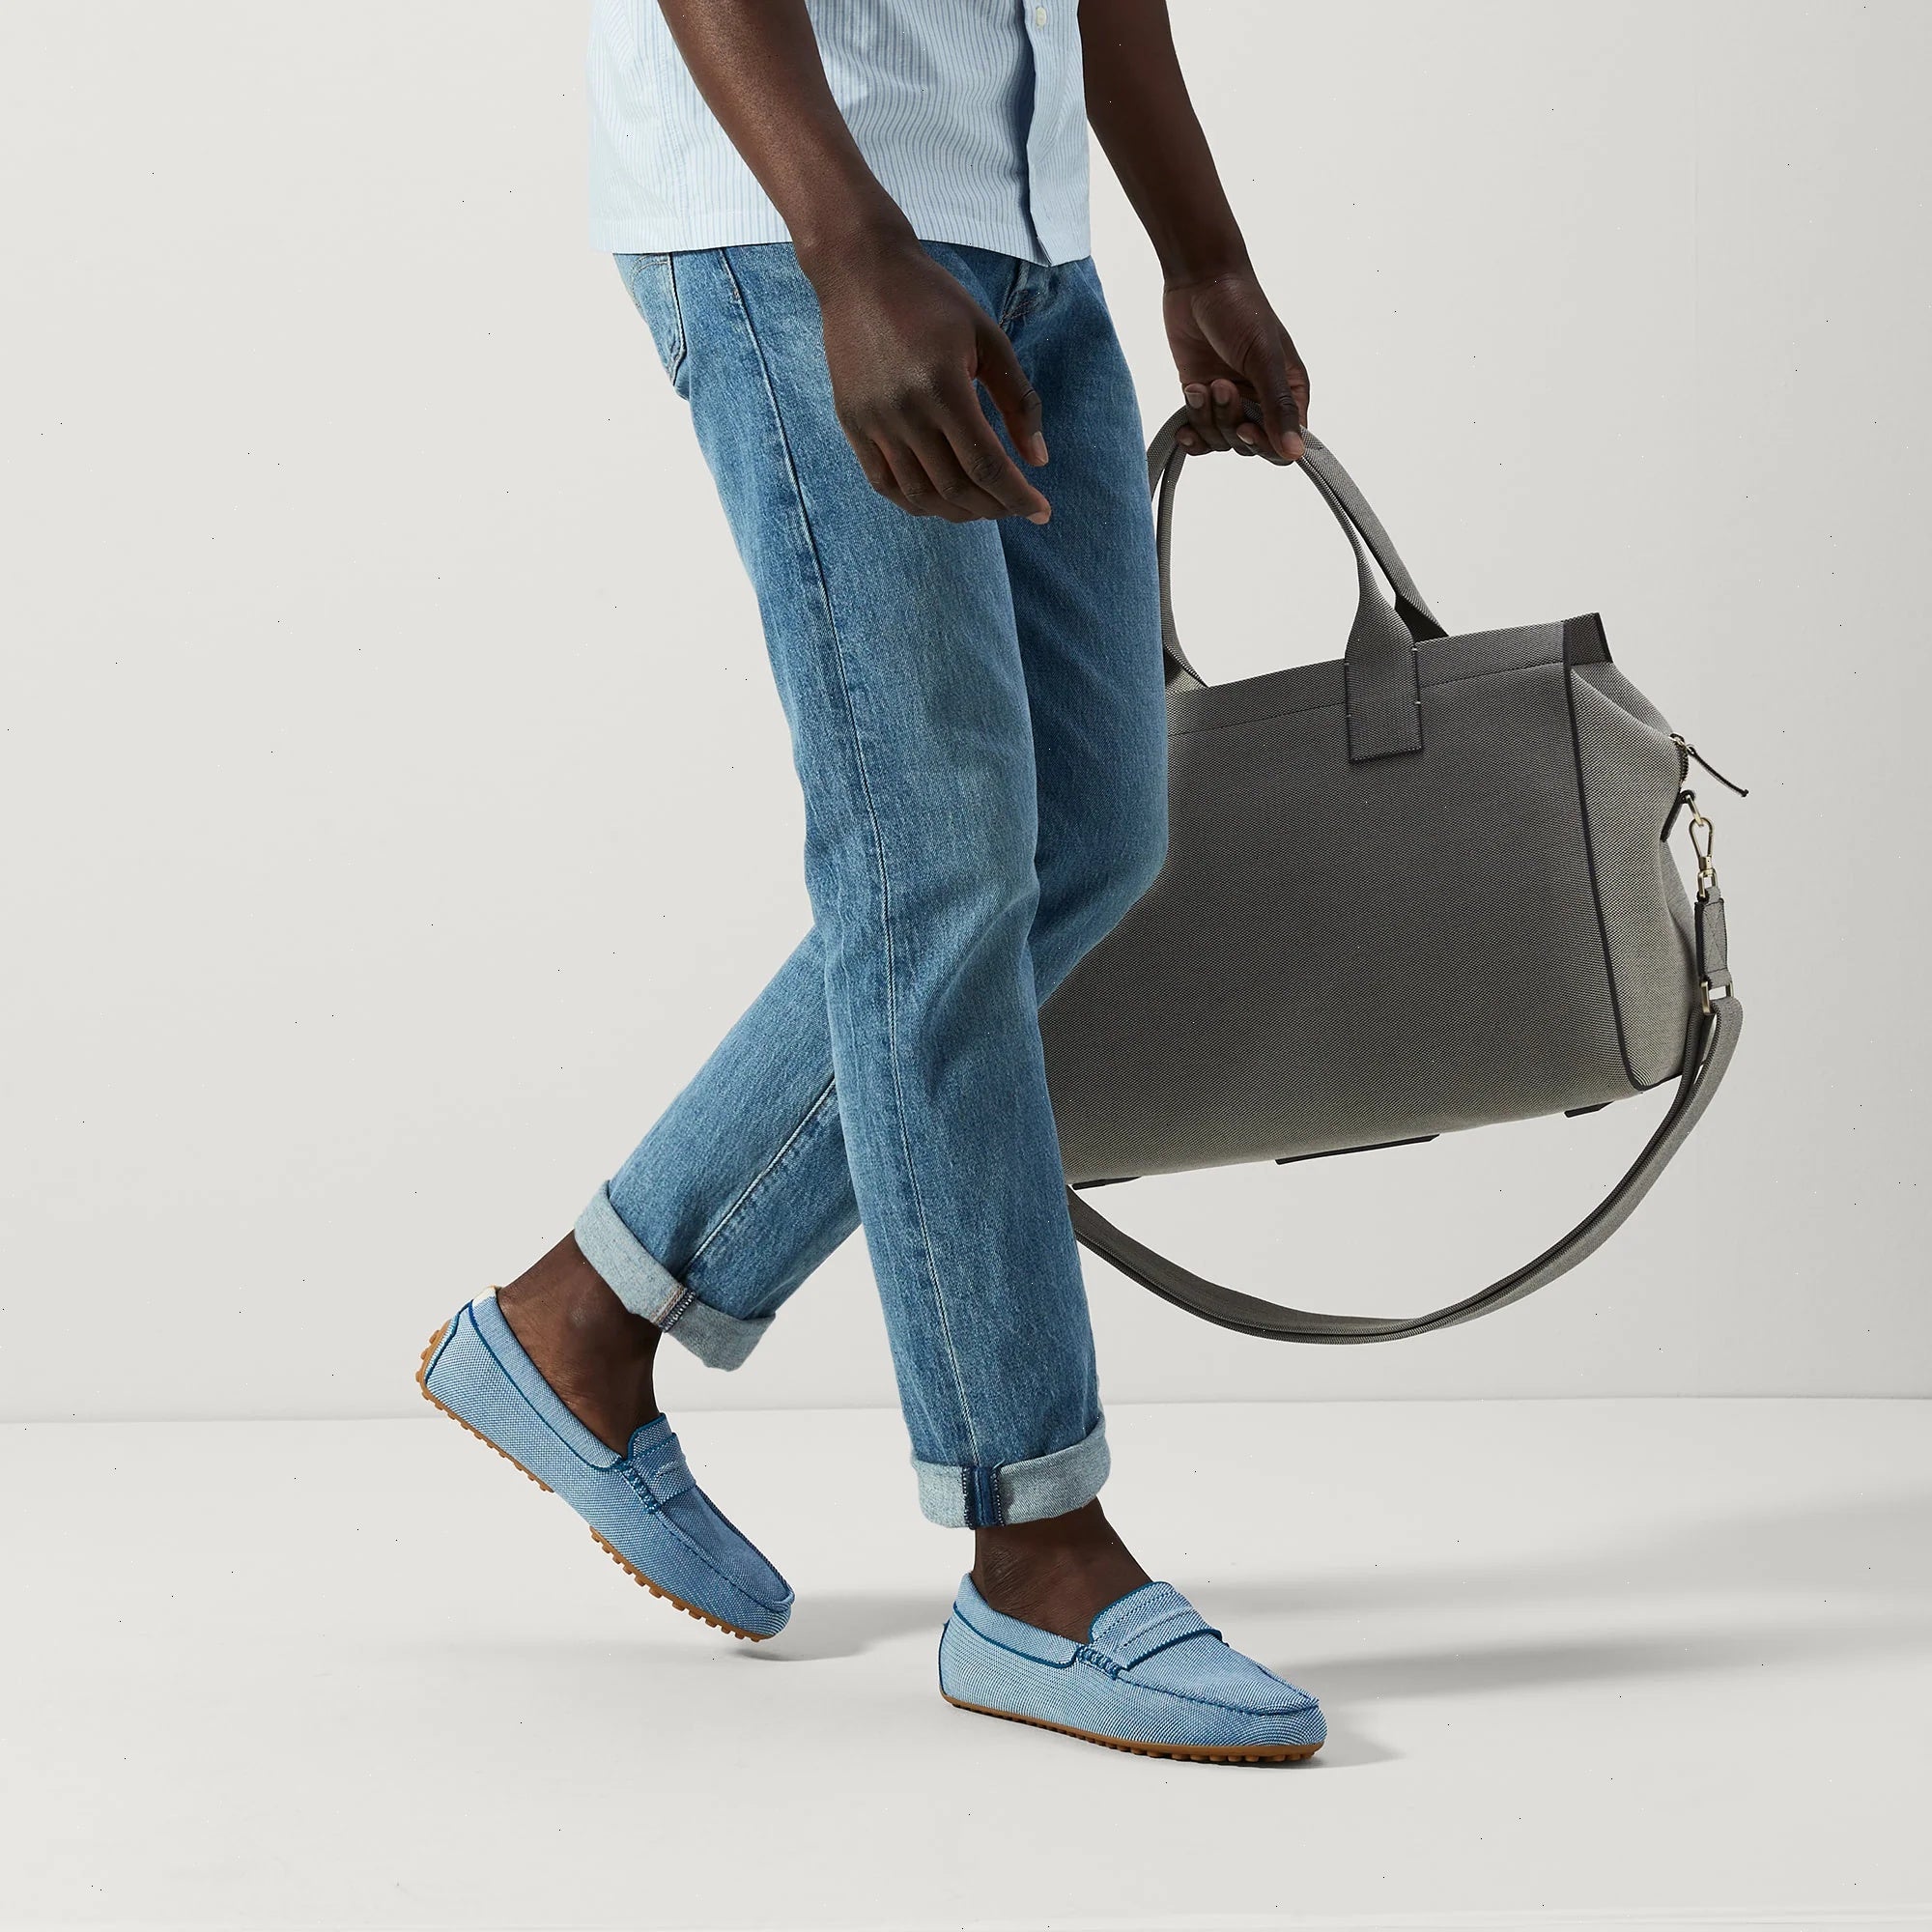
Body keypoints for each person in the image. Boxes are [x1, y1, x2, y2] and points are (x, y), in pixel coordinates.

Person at [418, 0, 1324, 1764]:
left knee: (1086, 838)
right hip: (811, 224)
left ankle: (581, 1321)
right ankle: (1033, 1548)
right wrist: (846, 247)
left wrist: (1203, 253)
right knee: (936, 869)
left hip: (1024, 226)